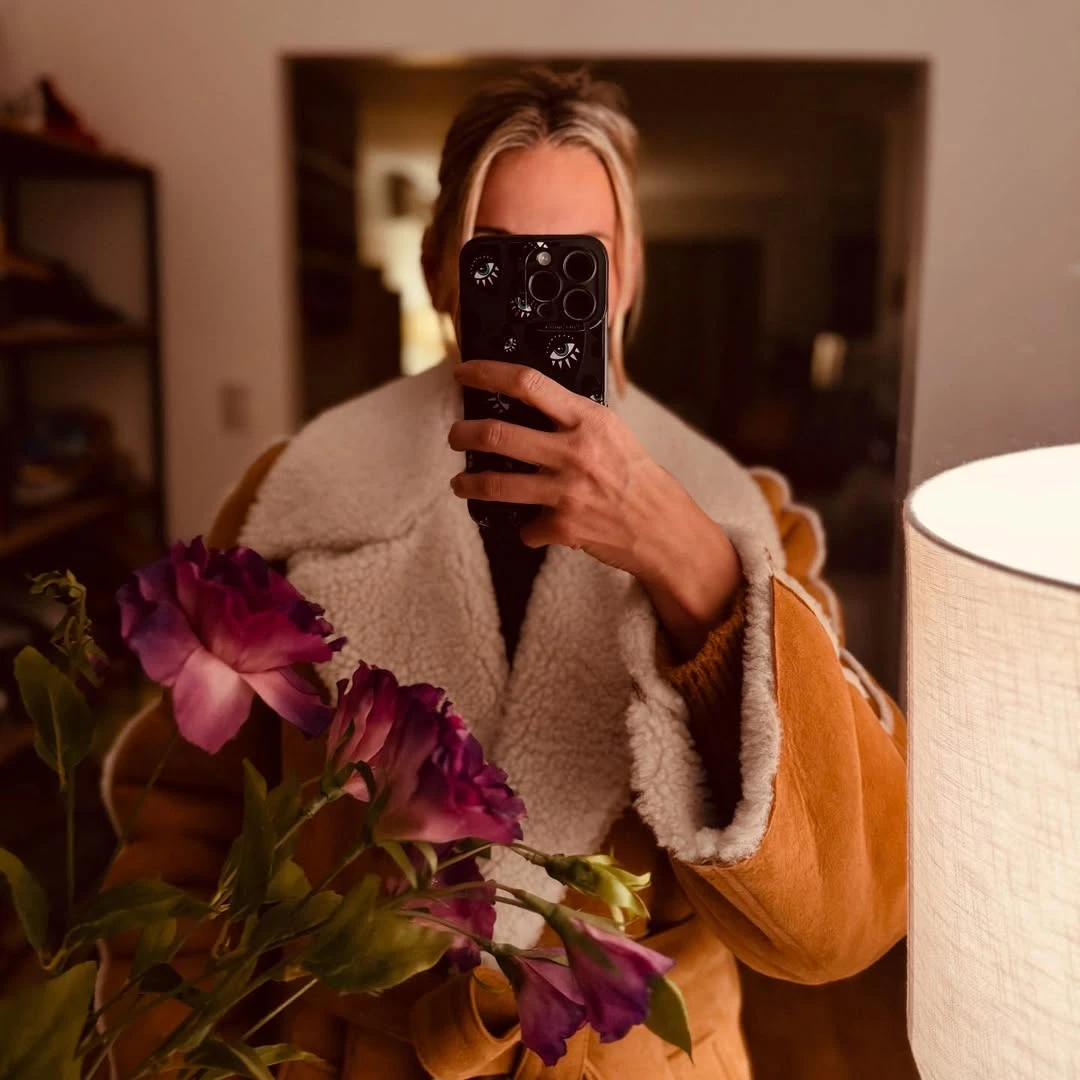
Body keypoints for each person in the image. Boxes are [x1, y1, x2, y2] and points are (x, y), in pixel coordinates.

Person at [100, 67, 906, 1079]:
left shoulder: (743, 524)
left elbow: (836, 921)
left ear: (626, 275)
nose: (532, 290)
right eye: (497, 257)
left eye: (574, 258)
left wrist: (691, 566)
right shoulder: (293, 500)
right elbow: (185, 821)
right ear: (440, 268)